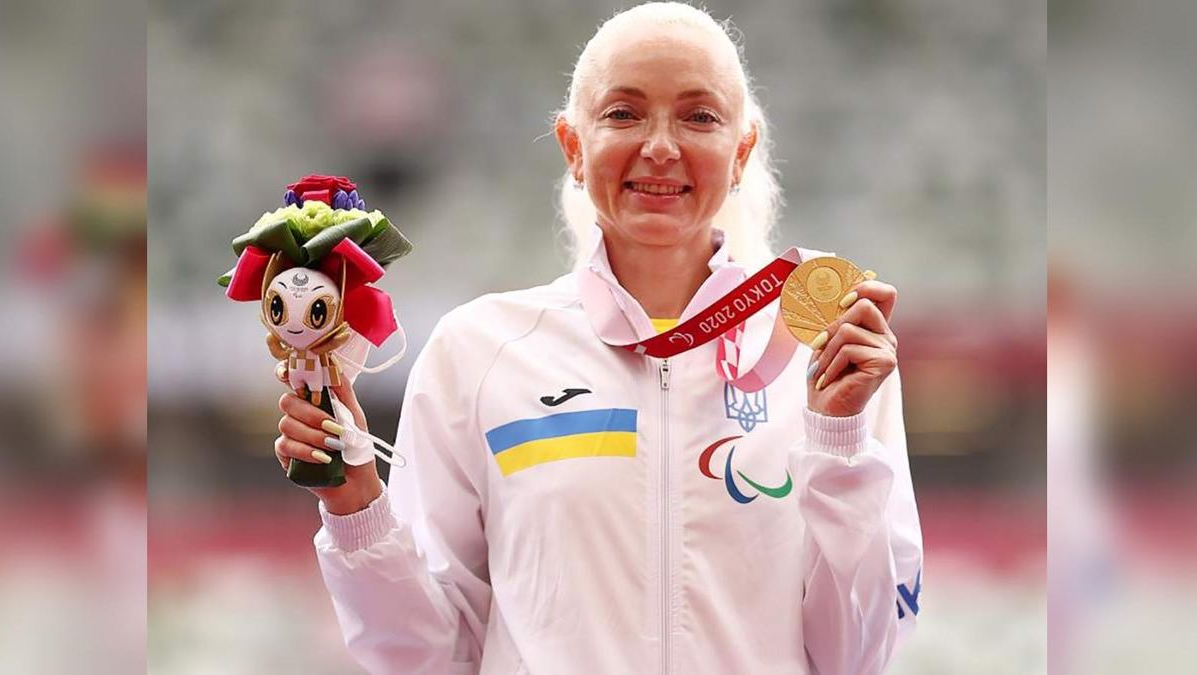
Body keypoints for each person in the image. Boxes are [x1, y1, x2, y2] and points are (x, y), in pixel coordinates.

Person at [274, 3, 922, 673]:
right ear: (573, 147)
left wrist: (838, 442)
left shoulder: (824, 356)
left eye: (700, 116)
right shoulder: (478, 353)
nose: (661, 146)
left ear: (742, 151)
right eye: (623, 113)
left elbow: (856, 658)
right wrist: (356, 507)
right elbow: (426, 659)